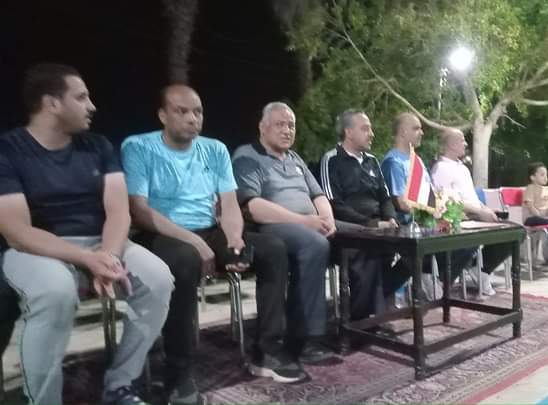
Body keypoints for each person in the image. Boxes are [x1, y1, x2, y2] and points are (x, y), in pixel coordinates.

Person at [0, 63, 173, 405]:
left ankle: (120, 384)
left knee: (158, 279)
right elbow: (17, 231)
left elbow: (118, 211)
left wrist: (107, 256)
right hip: (36, 250)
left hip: (101, 243)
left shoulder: (98, 146)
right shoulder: (9, 150)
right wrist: (85, 259)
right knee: (56, 292)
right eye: (81, 97)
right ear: (52, 103)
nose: (91, 106)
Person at [122, 86, 305, 391]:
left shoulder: (215, 149)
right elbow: (139, 211)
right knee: (184, 259)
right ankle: (178, 371)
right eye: (182, 111)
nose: (192, 118)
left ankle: (267, 350)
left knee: (272, 248)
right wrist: (194, 243)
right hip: (160, 232)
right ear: (163, 116)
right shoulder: (138, 147)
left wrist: (234, 239)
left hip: (208, 229)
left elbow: (229, 203)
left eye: (198, 112)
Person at [232, 102, 341, 365]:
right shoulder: (247, 156)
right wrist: (305, 222)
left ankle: (361, 320)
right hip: (273, 225)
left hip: (310, 222)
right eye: (280, 124)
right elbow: (252, 206)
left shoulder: (295, 159)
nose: (287, 130)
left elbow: (318, 194)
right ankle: (306, 338)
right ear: (263, 127)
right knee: (314, 244)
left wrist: (328, 218)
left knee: (365, 239)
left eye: (291, 125)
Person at [381, 113, 510, 292]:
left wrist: (449, 210)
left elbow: (431, 194)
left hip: (429, 220)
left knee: (470, 236)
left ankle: (432, 274)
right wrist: (440, 211)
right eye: (416, 128)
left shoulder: (416, 160)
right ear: (402, 131)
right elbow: (402, 203)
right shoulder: (394, 161)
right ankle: (427, 273)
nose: (422, 132)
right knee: (463, 238)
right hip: (412, 225)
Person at [319, 109, 411, 320]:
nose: (372, 134)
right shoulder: (331, 160)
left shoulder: (372, 161)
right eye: (366, 129)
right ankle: (361, 321)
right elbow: (333, 204)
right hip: (351, 230)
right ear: (349, 132)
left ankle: (363, 313)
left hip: (381, 227)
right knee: (369, 255)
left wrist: (390, 218)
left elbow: (385, 197)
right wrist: (371, 224)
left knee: (413, 255)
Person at [430, 127, 513, 294]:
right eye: (462, 140)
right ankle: (442, 281)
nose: (466, 144)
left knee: (514, 233)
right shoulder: (441, 168)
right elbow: (446, 202)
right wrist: (479, 211)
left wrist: (485, 209)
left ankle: (481, 270)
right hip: (457, 218)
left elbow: (471, 197)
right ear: (452, 144)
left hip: (476, 215)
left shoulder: (463, 168)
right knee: (470, 241)